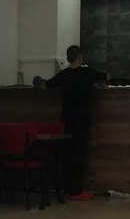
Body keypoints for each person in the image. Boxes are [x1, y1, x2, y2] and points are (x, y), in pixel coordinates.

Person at [46, 45, 109, 201]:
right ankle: (77, 191)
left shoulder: (63, 75)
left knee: (67, 154)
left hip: (66, 119)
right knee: (79, 154)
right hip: (82, 119)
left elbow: (47, 84)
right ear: (80, 57)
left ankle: (67, 189)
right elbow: (106, 76)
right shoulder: (87, 73)